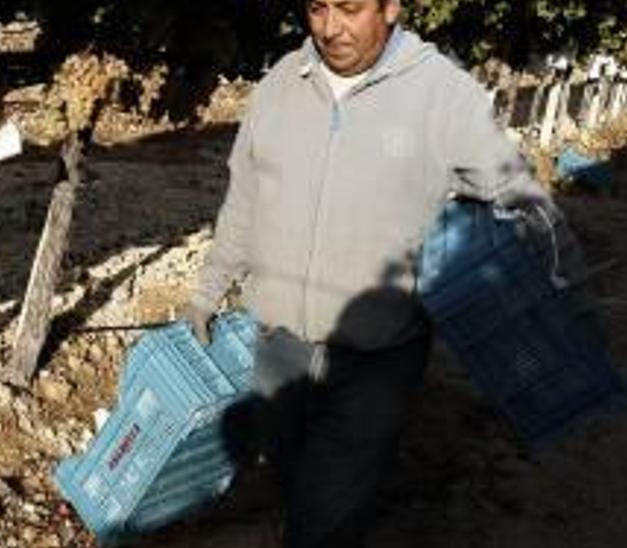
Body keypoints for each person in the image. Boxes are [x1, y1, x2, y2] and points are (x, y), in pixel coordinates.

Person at [180, 1, 576, 546]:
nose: (330, 27)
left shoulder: (441, 92)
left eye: (349, 8)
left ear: (392, 7)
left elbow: (518, 191)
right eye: (317, 8)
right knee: (290, 478)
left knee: (328, 517)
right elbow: (245, 195)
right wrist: (207, 291)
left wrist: (547, 265)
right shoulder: (279, 84)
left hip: (378, 358)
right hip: (280, 347)